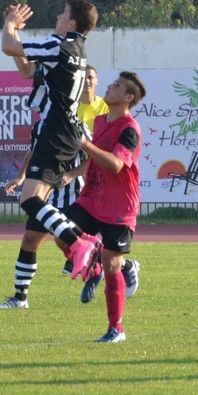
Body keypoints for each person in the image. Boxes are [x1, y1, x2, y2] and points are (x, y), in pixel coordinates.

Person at [0, 0, 103, 287]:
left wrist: (9, 25)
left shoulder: (58, 44)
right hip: (63, 132)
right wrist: (13, 31)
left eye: (63, 13)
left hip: (55, 132)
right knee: (33, 227)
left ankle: (80, 242)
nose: (57, 16)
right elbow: (26, 70)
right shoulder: (75, 50)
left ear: (72, 23)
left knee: (29, 200)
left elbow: (8, 47)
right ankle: (20, 297)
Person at [0, 63, 115, 309]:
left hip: (72, 194)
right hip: (45, 196)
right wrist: (21, 177)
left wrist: (71, 173)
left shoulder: (74, 124)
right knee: (30, 240)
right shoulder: (40, 127)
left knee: (67, 242)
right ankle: (20, 298)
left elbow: (93, 156)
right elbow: (33, 153)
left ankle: (120, 267)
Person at [71, 71, 147, 343]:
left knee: (112, 262)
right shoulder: (100, 120)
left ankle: (116, 329)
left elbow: (115, 165)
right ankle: (97, 268)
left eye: (117, 86)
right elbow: (93, 157)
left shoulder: (129, 129)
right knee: (62, 231)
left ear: (128, 98)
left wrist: (85, 144)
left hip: (119, 206)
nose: (110, 87)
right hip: (92, 198)